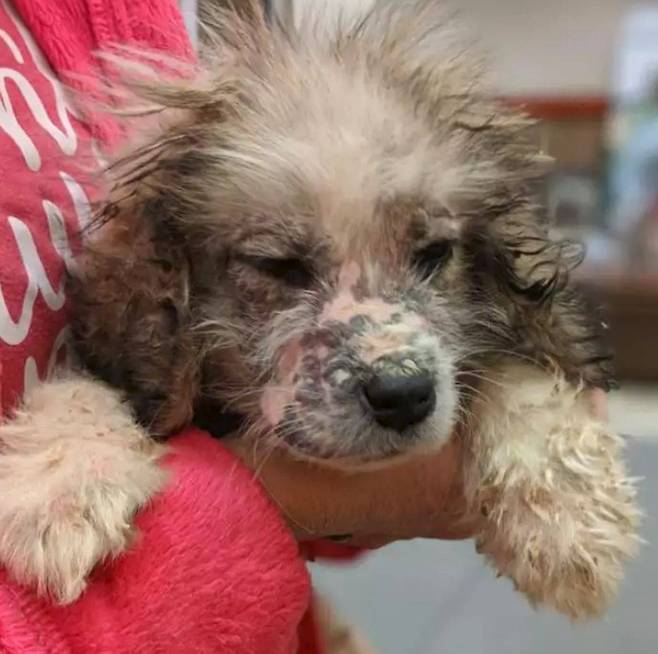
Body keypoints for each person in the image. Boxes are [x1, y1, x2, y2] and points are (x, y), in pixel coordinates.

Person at [0, 1, 604, 653]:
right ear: (172, 271)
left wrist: (520, 410)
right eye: (280, 266)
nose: (395, 363)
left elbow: (511, 337)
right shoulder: (142, 293)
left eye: (431, 253)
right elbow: (117, 373)